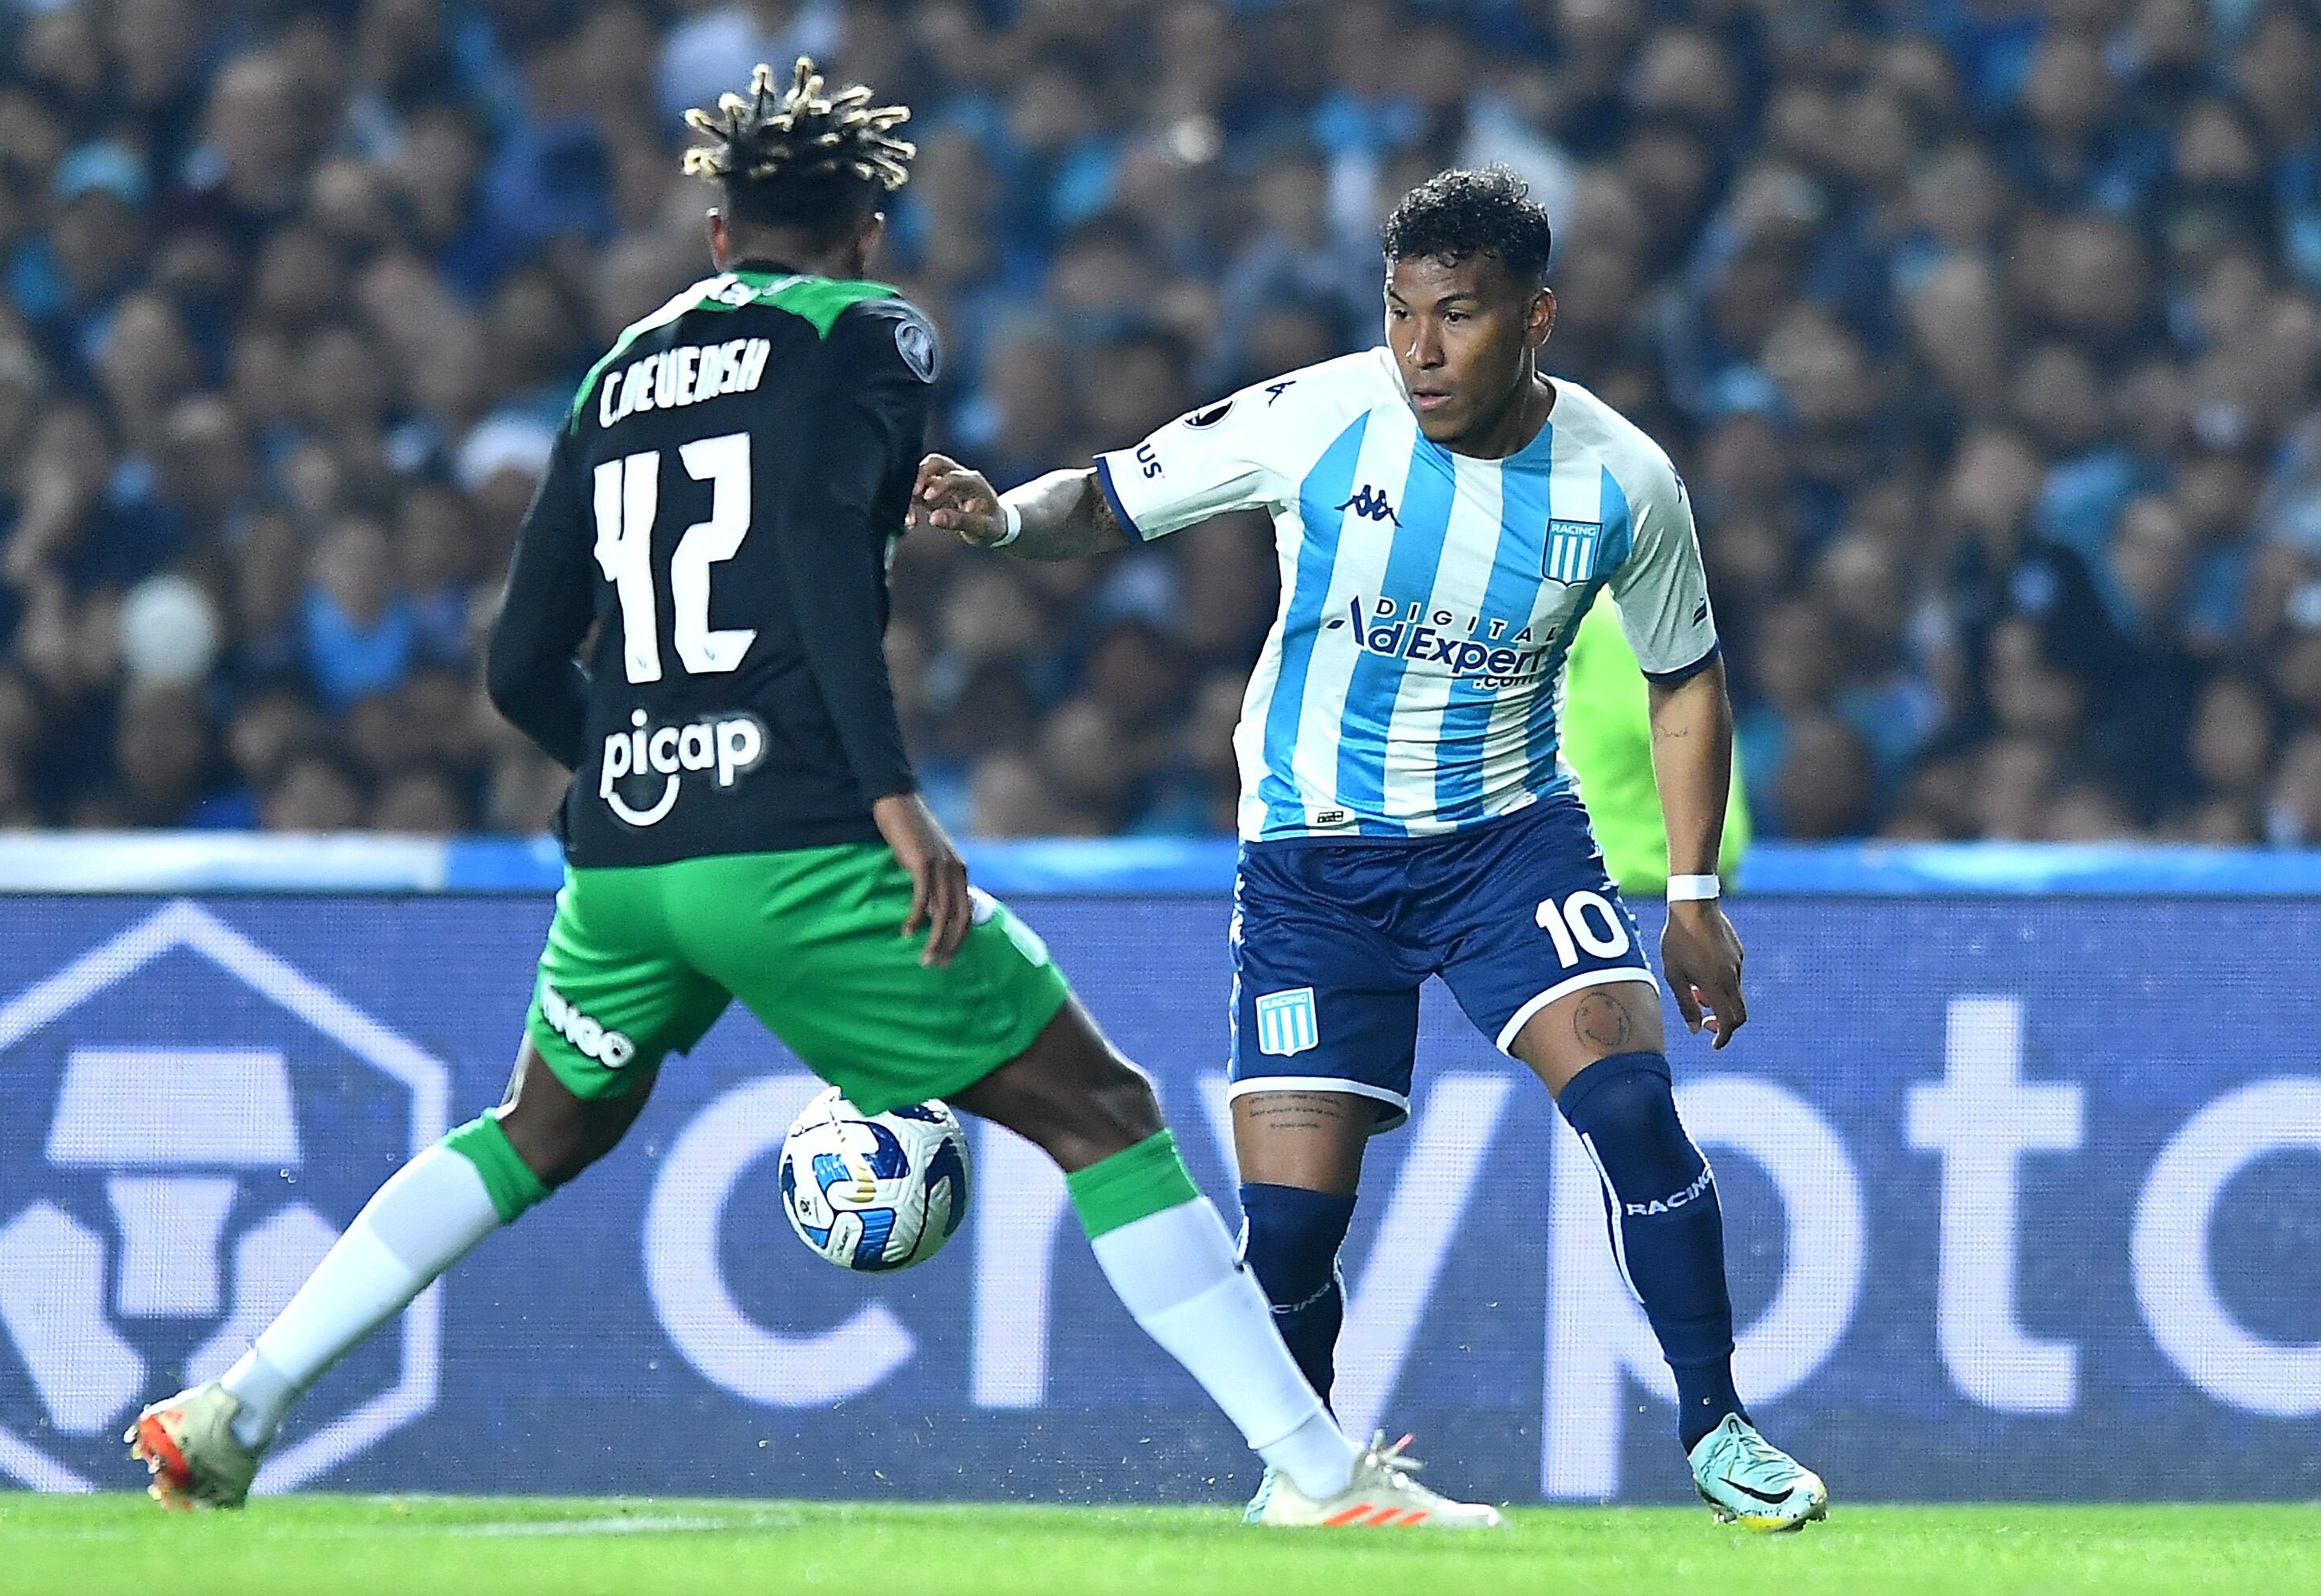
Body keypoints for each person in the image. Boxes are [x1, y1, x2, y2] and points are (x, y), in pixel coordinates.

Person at [129, 60, 1497, 1532]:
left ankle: (235, 1406)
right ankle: (1314, 1476)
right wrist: (887, 790)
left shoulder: (615, 371)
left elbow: (522, 658)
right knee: (1101, 1112)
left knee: (541, 1127)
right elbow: (811, 561)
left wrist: (625, 774)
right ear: (866, 235)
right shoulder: (870, 333)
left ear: (719, 237)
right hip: (795, 831)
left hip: (630, 854)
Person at [912, 166, 1827, 1531]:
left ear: (1537, 319)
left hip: (1509, 844)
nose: (1419, 349)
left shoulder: (1625, 481)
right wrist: (1003, 518)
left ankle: (1721, 1429)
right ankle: (1307, 1476)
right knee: (1289, 1226)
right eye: (1401, 312)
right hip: (1311, 863)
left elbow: (1683, 676)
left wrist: (1692, 897)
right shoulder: (1322, 414)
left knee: (1631, 1104)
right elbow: (1110, 497)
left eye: (1457, 316)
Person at [1562, 591, 1752, 895]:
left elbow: (1686, 733)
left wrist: (1693, 888)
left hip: (1648, 896)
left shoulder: (1613, 623)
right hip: (1593, 891)